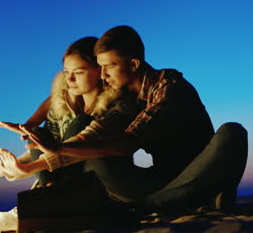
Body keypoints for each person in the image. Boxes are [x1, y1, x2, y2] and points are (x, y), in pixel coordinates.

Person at [17, 25, 248, 212]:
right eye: (100, 68)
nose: (104, 76)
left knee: (233, 132)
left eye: (110, 67)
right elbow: (89, 124)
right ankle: (178, 201)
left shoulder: (168, 88)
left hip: (196, 170)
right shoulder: (127, 97)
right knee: (96, 159)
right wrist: (33, 143)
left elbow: (127, 143)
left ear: (134, 64)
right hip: (161, 180)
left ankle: (165, 202)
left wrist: (57, 149)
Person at [0, 36, 137, 186]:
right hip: (65, 177)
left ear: (99, 70)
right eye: (66, 72)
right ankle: (49, 192)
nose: (70, 79)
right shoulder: (64, 104)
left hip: (104, 176)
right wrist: (5, 168)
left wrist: (28, 168)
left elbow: (74, 150)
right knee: (38, 133)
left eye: (79, 72)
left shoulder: (117, 105)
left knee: (81, 123)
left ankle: (51, 195)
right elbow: (48, 149)